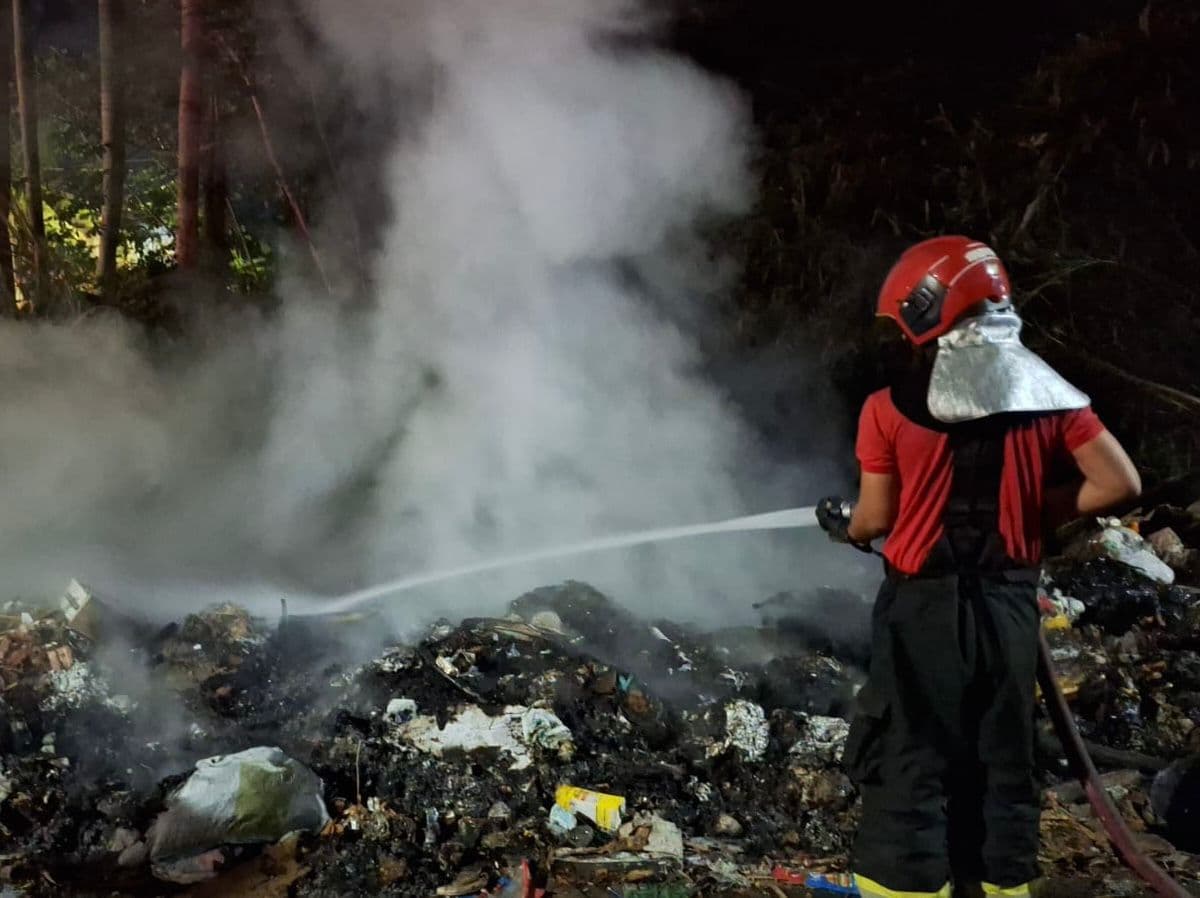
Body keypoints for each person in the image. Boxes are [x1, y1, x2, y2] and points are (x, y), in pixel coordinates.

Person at [816, 235, 1142, 898]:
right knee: (1000, 765)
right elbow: (1120, 483)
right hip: (1010, 611)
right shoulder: (1051, 398)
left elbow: (876, 521)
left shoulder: (888, 407)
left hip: (921, 611)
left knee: (908, 762)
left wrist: (842, 526)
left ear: (928, 307)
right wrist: (1032, 513)